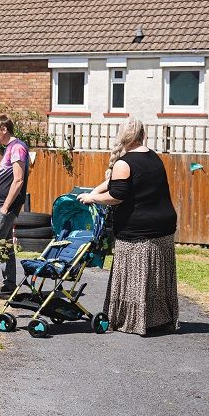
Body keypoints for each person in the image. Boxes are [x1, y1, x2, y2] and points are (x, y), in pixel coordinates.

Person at [78, 118, 178, 335]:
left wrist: (93, 199)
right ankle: (157, 319)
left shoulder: (124, 162)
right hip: (164, 226)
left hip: (138, 230)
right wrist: (94, 191)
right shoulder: (153, 157)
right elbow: (116, 182)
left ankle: (133, 320)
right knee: (156, 278)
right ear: (142, 134)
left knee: (135, 277)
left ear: (123, 135)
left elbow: (116, 195)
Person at [0, 114, 30, 293]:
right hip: (1, 205)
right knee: (5, 245)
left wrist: (5, 208)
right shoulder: (11, 148)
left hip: (5, 207)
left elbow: (18, 180)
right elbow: (9, 178)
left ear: (4, 129)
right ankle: (9, 284)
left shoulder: (17, 148)